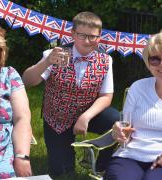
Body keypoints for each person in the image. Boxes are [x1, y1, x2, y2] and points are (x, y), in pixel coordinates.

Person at [22, 11, 119, 176]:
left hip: (88, 113)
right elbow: (27, 81)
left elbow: (106, 96)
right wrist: (47, 62)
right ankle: (66, 155)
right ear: (73, 34)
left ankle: (100, 164)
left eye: (92, 36)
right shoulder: (54, 55)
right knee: (62, 172)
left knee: (119, 122)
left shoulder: (105, 60)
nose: (87, 41)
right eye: (82, 35)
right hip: (57, 118)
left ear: (99, 36)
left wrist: (85, 117)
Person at [105, 32, 162, 180]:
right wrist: (118, 132)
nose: (161, 64)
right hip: (131, 154)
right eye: (155, 59)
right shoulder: (138, 87)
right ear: (148, 62)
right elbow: (126, 127)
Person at [0, 23, 32, 179]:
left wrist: (22, 156)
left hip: (0, 149)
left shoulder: (9, 75)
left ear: (1, 52)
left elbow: (22, 118)